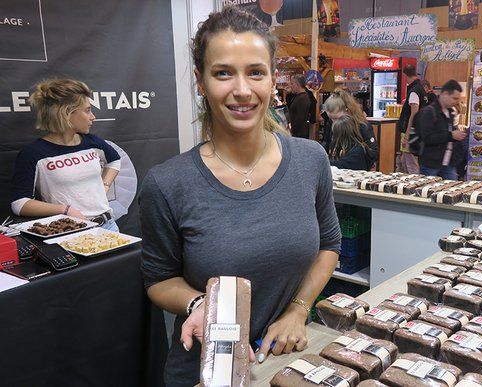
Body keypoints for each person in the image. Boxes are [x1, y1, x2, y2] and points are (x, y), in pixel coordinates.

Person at [139, 7, 341, 386]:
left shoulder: (310, 159)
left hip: (290, 364)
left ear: (271, 78)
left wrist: (299, 310)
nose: (243, 90)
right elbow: (158, 280)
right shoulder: (168, 184)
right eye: (223, 73)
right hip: (206, 372)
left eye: (255, 72)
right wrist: (203, 305)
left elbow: (329, 245)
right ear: (200, 81)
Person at [11, 78, 121, 232]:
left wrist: (105, 185)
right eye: (87, 110)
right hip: (71, 231)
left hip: (109, 226)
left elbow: (115, 160)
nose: (93, 117)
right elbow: (20, 204)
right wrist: (65, 210)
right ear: (66, 113)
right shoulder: (34, 154)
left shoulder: (93, 142)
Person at [415, 80, 468, 180]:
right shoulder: (429, 112)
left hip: (449, 163)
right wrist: (451, 135)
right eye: (454, 98)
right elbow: (427, 137)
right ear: (444, 94)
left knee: (451, 193)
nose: (456, 101)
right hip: (431, 163)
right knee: (428, 192)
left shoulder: (451, 112)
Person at [321, 89, 378, 164]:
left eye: (337, 118)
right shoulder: (330, 123)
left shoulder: (362, 126)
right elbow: (326, 144)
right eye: (331, 119)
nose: (334, 122)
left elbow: (374, 153)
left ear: (347, 111)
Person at [398, 64, 427, 174]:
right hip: (418, 132)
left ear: (407, 76)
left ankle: (413, 187)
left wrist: (407, 135)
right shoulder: (422, 90)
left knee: (410, 165)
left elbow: (414, 114)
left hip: (412, 133)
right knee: (405, 162)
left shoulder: (414, 91)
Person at [286, 74, 311, 138]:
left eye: (292, 84)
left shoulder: (302, 98)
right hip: (297, 134)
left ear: (297, 84)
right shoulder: (299, 96)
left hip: (299, 135)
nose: (291, 86)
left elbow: (300, 119)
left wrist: (292, 131)